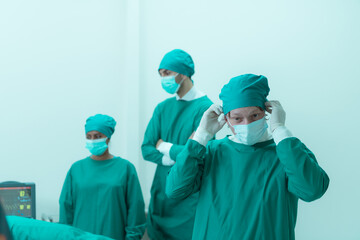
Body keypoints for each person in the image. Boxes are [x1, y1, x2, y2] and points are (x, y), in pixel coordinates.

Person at [166, 74, 330, 240]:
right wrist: (201, 135)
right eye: (237, 118)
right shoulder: (211, 152)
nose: (247, 124)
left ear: (266, 112)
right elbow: (175, 190)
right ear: (226, 119)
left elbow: (312, 190)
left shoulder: (287, 151)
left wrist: (280, 130)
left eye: (255, 116)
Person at [141, 49, 213, 240]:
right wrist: (179, 155)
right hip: (161, 200)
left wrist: (164, 146)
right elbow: (147, 149)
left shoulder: (205, 109)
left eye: (167, 73)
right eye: (161, 74)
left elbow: (202, 156)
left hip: (188, 201)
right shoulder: (162, 108)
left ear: (182, 73)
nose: (163, 78)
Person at [59, 114, 146, 240]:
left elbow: (135, 211)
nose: (93, 140)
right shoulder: (76, 169)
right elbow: (66, 209)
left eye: (98, 136)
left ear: (108, 138)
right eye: (88, 137)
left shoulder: (125, 168)